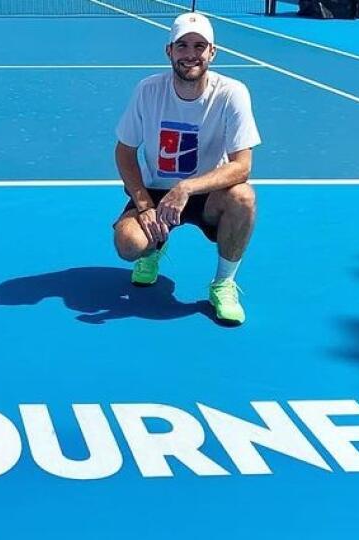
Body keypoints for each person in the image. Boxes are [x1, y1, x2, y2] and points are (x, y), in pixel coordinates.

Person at [112, 12, 260, 326]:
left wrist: (186, 187)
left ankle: (223, 283)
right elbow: (125, 152)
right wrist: (143, 203)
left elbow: (242, 166)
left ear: (212, 52)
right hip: (154, 191)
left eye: (199, 46)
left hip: (207, 194)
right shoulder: (148, 91)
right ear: (169, 51)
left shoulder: (232, 93)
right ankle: (151, 250)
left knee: (244, 197)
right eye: (182, 46)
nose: (190, 54)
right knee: (128, 245)